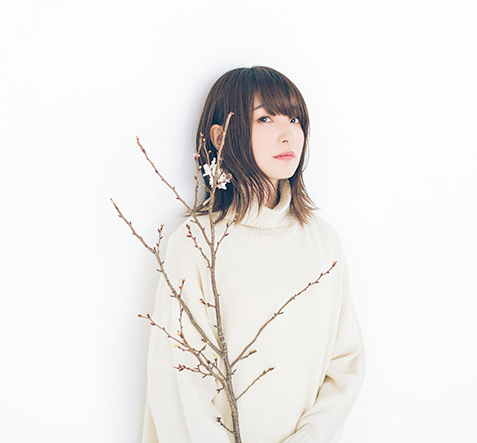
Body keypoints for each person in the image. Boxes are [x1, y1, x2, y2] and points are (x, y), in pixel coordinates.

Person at [141, 66, 366, 443]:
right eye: (265, 118)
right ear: (221, 137)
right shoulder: (195, 243)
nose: (288, 133)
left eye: (295, 119)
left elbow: (345, 365)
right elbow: (178, 384)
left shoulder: (323, 242)